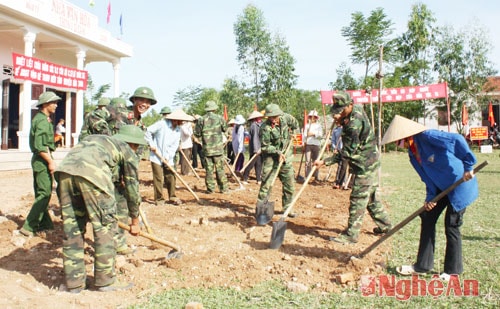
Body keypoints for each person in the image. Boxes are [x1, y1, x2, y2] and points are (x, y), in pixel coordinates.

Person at [381, 115, 478, 281]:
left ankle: (452, 271)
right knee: (427, 216)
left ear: (406, 136)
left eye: (398, 140)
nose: (398, 144)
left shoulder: (429, 136)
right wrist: (430, 198)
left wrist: (469, 165)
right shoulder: (413, 155)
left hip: (460, 183)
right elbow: (427, 178)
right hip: (441, 189)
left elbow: (457, 139)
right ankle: (422, 265)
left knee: (451, 225)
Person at [54, 125, 146, 293]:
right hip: (93, 177)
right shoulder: (126, 149)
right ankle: (105, 281)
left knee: (72, 229)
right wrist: (134, 221)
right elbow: (132, 188)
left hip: (64, 174)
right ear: (133, 144)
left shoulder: (96, 139)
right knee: (105, 228)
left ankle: (74, 284)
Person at [314, 91, 391, 244]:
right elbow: (346, 120)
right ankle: (386, 225)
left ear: (350, 105)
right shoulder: (356, 110)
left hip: (365, 165)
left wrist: (325, 161)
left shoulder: (352, 126)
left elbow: (347, 153)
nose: (338, 114)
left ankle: (351, 235)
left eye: (341, 110)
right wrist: (341, 120)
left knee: (358, 198)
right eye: (337, 110)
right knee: (370, 197)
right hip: (371, 160)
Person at [19, 91, 60, 238]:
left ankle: (45, 224)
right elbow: (40, 146)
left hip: (40, 159)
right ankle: (29, 226)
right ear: (45, 104)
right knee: (45, 194)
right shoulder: (42, 121)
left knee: (41, 193)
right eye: (53, 102)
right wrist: (50, 162)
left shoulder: (42, 119)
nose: (56, 105)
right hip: (42, 160)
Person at [257, 103, 299, 217]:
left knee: (289, 184)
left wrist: (295, 133)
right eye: (270, 117)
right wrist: (277, 152)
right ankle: (262, 210)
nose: (273, 119)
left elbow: (296, 124)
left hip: (287, 157)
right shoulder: (264, 128)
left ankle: (288, 209)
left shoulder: (286, 118)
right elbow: (265, 147)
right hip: (271, 159)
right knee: (266, 185)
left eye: (275, 117)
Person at [145, 107, 188, 206]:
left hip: (168, 156)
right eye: (180, 121)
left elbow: (175, 145)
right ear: (174, 119)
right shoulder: (161, 124)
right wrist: (152, 144)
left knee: (171, 176)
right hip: (156, 155)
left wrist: (168, 158)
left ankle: (172, 196)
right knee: (158, 178)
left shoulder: (178, 129)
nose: (182, 122)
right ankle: (159, 199)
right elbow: (148, 131)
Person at [193, 100, 229, 194]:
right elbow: (225, 129)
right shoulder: (220, 118)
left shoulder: (201, 119)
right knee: (220, 169)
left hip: (207, 150)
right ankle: (223, 189)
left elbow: (196, 133)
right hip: (218, 150)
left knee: (209, 170)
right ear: (214, 109)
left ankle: (210, 189)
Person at [242, 110, 264, 184]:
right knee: (251, 163)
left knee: (259, 164)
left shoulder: (260, 125)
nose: (260, 118)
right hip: (256, 148)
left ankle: (258, 179)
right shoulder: (254, 125)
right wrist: (256, 149)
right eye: (258, 117)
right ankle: (245, 177)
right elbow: (255, 138)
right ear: (255, 118)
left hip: (260, 148)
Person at [303, 110, 323, 182]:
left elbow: (320, 136)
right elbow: (304, 136)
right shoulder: (307, 125)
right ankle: (307, 176)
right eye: (310, 117)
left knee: (316, 161)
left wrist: (313, 134)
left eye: (313, 117)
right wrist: (304, 144)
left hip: (316, 145)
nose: (312, 118)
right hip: (308, 144)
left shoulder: (319, 126)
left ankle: (316, 176)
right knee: (307, 161)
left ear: (316, 118)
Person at [331, 122, 349, 189]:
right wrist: (334, 147)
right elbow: (333, 140)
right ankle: (339, 181)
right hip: (339, 150)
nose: (337, 123)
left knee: (345, 166)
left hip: (346, 149)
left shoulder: (345, 128)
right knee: (340, 166)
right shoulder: (335, 130)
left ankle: (345, 182)